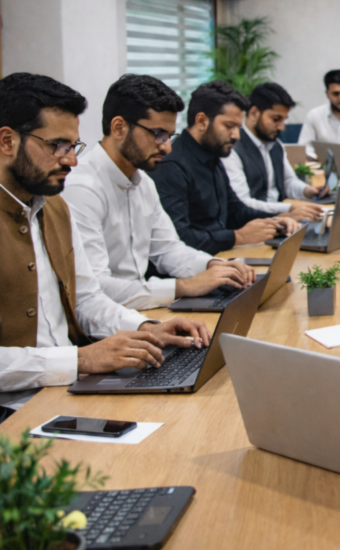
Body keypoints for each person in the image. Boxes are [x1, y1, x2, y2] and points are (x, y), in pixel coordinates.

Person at [0, 72, 209, 392]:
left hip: (64, 385)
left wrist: (146, 327)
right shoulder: (77, 191)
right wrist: (79, 359)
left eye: (73, 145)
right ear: (7, 141)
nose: (71, 160)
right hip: (15, 406)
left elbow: (86, 298)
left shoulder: (54, 208)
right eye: (57, 145)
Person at [63, 74, 256, 311]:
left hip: (140, 310)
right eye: (158, 134)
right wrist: (183, 287)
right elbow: (95, 289)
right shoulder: (81, 188)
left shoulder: (143, 181)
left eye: (169, 136)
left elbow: (167, 249)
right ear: (119, 127)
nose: (167, 147)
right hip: (105, 321)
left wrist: (214, 265)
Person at [153, 81, 299, 256]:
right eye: (229, 126)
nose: (237, 135)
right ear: (201, 121)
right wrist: (238, 237)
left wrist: (275, 221)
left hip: (220, 258)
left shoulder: (213, 154)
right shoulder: (171, 167)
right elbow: (179, 239)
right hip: (195, 267)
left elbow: (235, 210)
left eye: (238, 127)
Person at [222, 82, 325, 221]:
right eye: (276, 119)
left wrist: (308, 191)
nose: (282, 127)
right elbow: (243, 203)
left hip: (281, 219)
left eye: (284, 120)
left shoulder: (276, 145)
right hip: (254, 224)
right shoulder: (232, 150)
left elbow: (288, 181)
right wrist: (290, 208)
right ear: (253, 113)